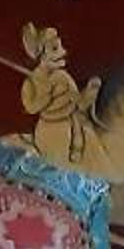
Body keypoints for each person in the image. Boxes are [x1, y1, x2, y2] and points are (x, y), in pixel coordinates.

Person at [17, 22, 88, 164]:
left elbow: (76, 97)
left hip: (68, 117)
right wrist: (47, 95)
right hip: (48, 123)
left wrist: (89, 93)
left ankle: (77, 148)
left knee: (77, 122)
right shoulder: (31, 82)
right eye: (55, 48)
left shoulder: (62, 76)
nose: (63, 52)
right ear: (41, 55)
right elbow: (31, 108)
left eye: (60, 47)